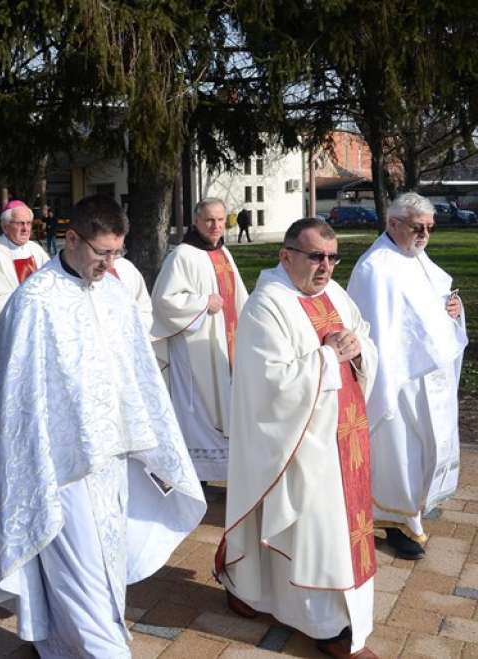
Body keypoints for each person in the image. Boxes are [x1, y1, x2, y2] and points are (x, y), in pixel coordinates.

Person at [0, 194, 206, 658]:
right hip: (61, 469)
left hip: (112, 461)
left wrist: (150, 444)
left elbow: (137, 372)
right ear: (72, 238)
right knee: (84, 573)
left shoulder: (115, 293)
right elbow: (16, 396)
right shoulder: (36, 301)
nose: (109, 263)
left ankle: (60, 644)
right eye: (102, 253)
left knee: (106, 567)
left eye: (117, 252)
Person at [216, 218, 378, 658]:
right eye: (315, 257)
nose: (325, 267)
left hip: (346, 440)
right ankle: (326, 628)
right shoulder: (267, 305)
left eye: (331, 257)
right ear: (286, 256)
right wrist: (329, 356)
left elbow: (363, 339)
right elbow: (268, 384)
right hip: (301, 445)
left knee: (337, 534)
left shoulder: (335, 295)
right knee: (315, 535)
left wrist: (360, 350)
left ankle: (271, 597)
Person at [348, 192, 467, 560]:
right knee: (398, 451)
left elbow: (435, 304)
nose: (425, 235)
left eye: (430, 227)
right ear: (393, 224)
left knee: (422, 451)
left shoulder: (414, 257)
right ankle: (396, 521)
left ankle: (413, 509)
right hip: (398, 381)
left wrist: (454, 308)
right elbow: (375, 330)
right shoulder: (375, 269)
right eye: (418, 227)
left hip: (428, 377)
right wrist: (386, 379)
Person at [151, 198, 248, 482]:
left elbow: (239, 296)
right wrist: (202, 302)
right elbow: (164, 301)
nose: (216, 226)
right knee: (199, 408)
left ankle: (223, 471)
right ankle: (196, 476)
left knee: (225, 401)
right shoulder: (182, 255)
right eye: (209, 220)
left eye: (220, 220)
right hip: (194, 350)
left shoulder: (224, 253)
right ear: (196, 221)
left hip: (223, 344)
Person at [0, 200, 49, 366]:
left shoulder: (36, 250)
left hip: (41, 332)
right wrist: (28, 301)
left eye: (29, 223)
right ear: (5, 226)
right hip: (13, 338)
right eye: (20, 223)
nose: (26, 228)